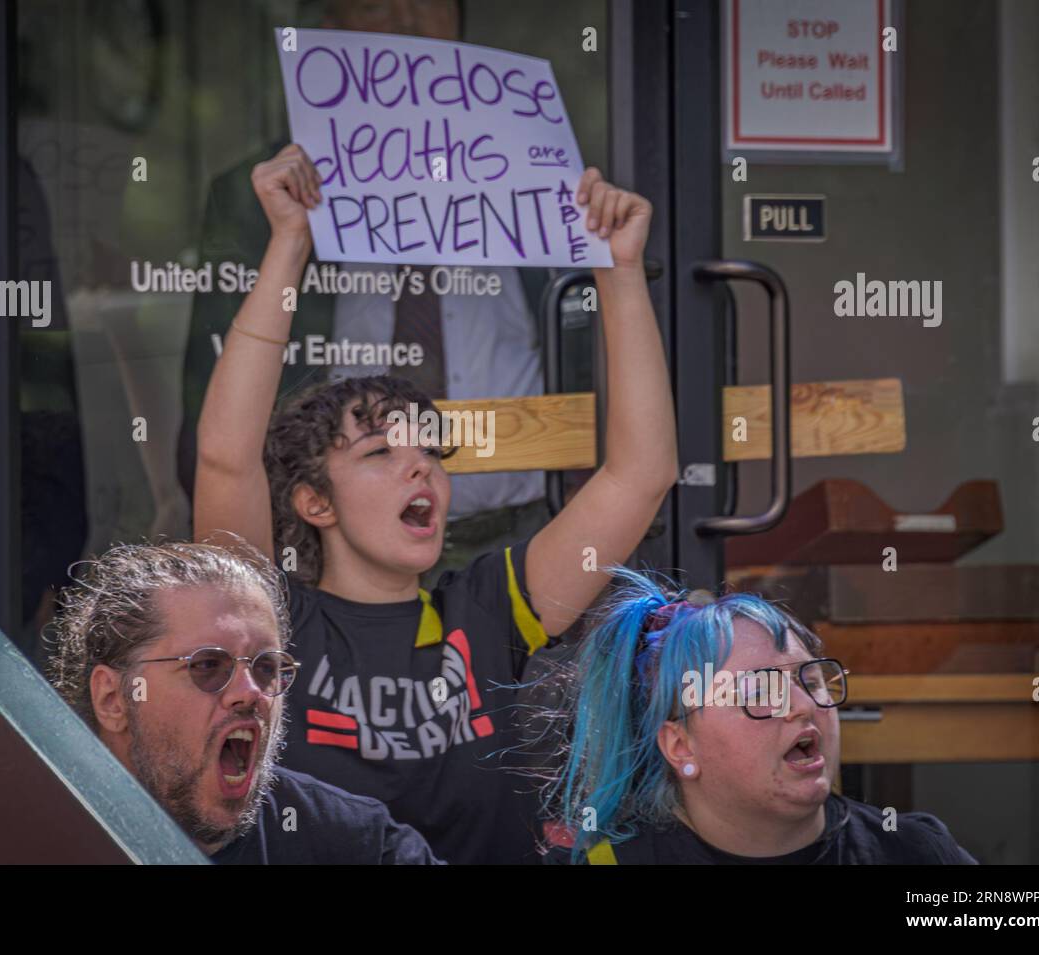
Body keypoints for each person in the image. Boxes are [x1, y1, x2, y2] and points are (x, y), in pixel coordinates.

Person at [192, 144, 678, 863]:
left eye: (428, 450)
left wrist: (619, 271)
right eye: (379, 452)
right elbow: (226, 454)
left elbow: (642, 473)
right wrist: (291, 242)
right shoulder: (276, 623)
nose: (418, 463)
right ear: (313, 502)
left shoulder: (487, 607)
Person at [179, 0, 551, 577]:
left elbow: (593, 363)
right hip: (331, 561)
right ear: (330, 31)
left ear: (460, 24)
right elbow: (219, 418)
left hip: (527, 542)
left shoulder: (542, 177)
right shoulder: (263, 196)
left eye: (426, 3)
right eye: (378, 4)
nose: (405, 23)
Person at [540, 569, 978, 864]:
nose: (804, 706)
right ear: (680, 746)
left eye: (810, 678)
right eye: (759, 691)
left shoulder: (913, 852)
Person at [45, 540, 439, 864]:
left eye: (268, 667)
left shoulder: (354, 844)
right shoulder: (26, 834)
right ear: (112, 698)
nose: (250, 692)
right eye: (208, 666)